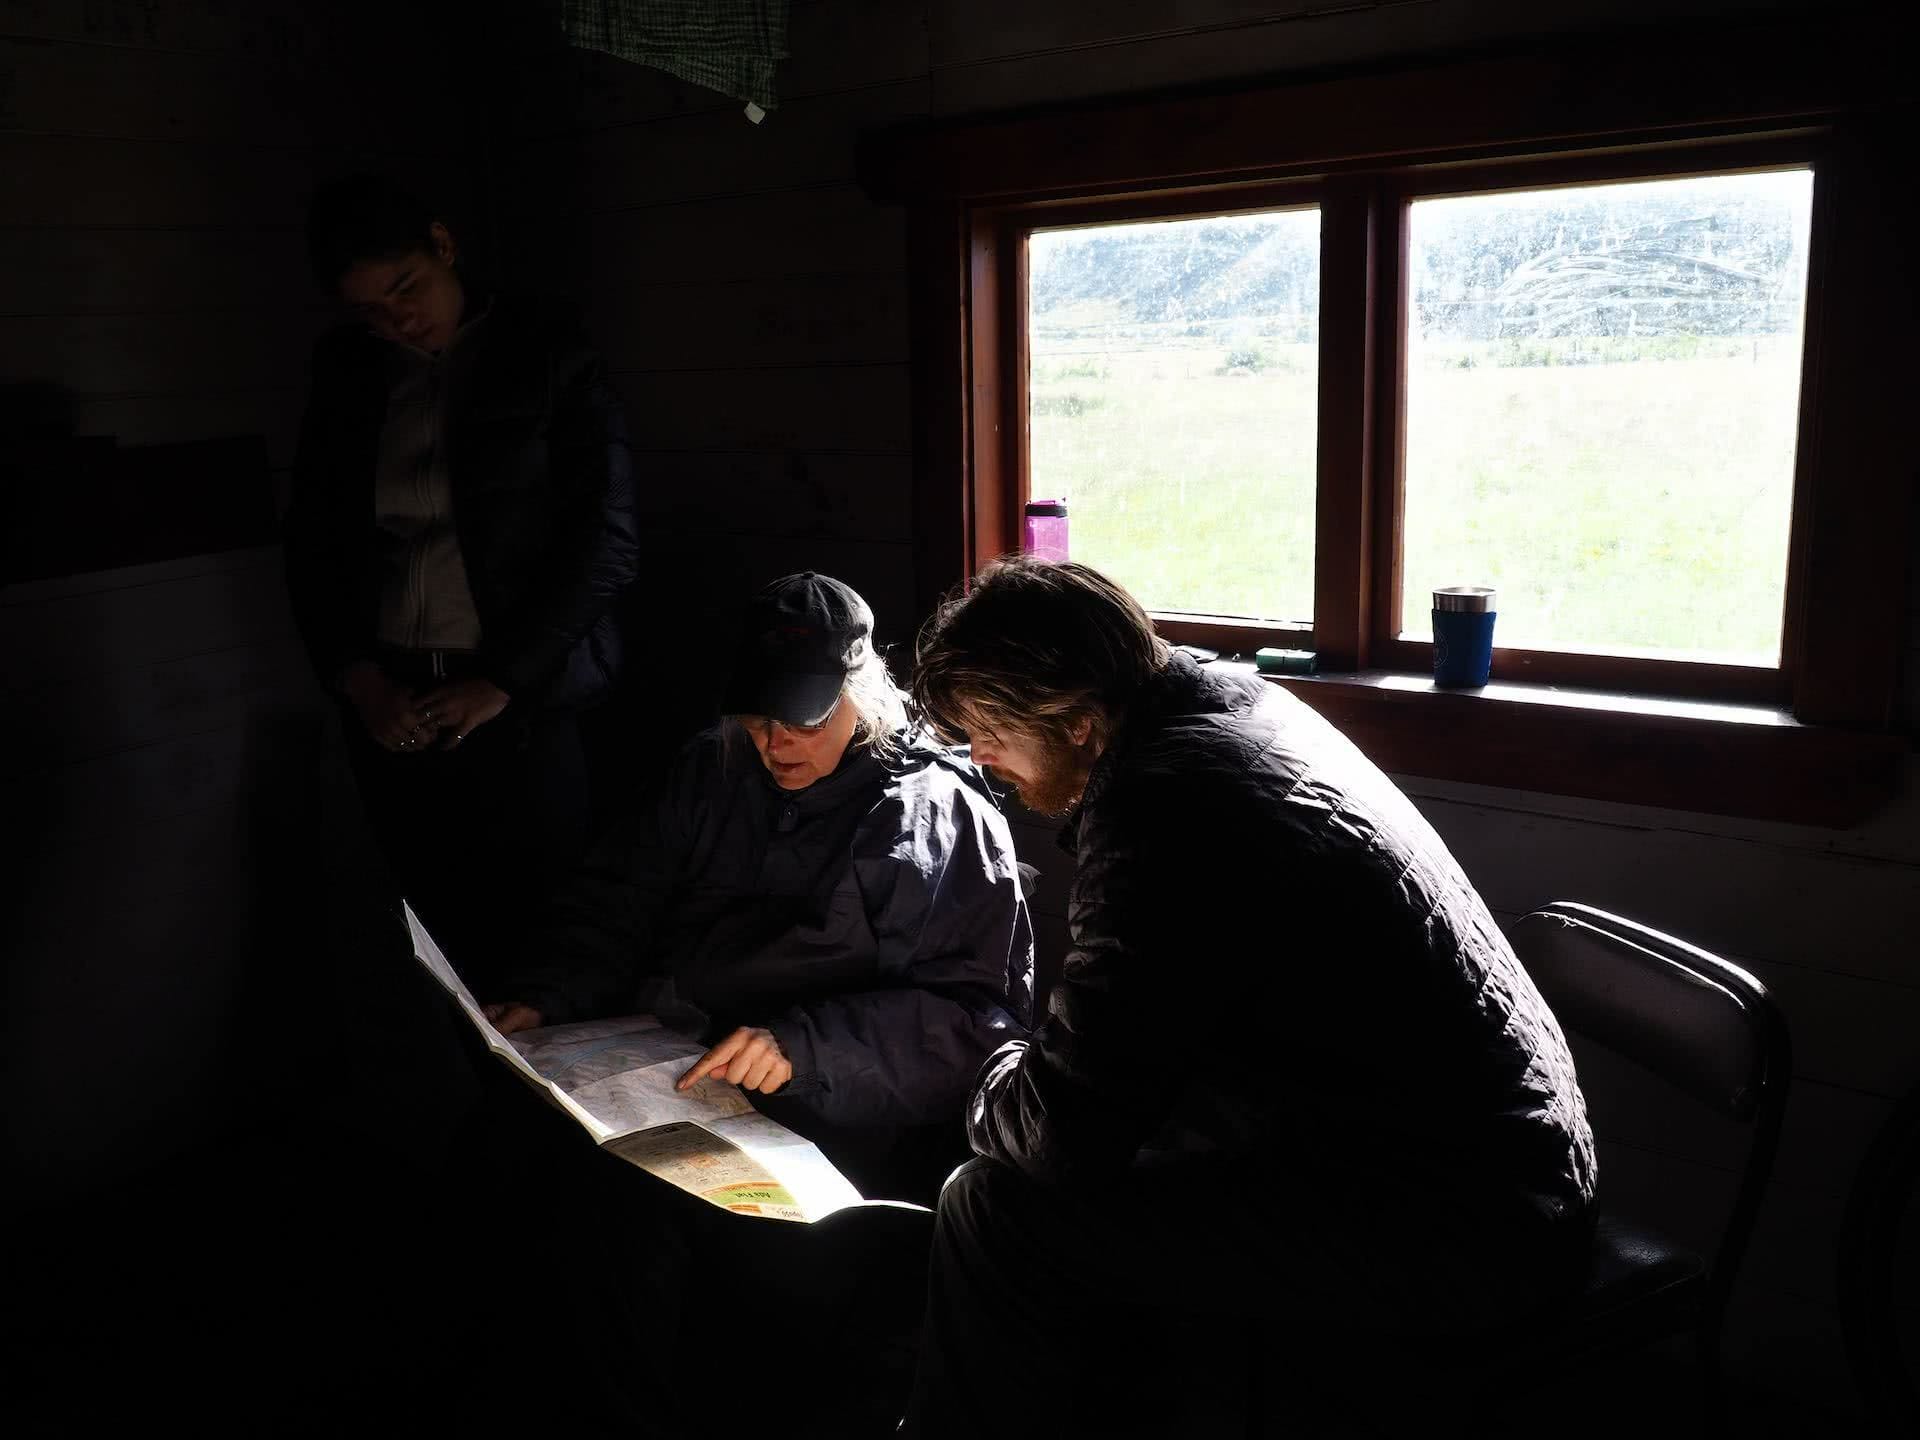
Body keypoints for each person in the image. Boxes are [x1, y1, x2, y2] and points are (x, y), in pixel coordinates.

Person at [901, 557, 1598, 1436]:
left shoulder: (1167, 809)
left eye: (989, 732)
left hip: (1466, 1222)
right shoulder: (1232, 705)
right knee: (1122, 1163)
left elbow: (1064, 1135)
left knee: (996, 1210)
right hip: (1482, 1158)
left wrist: (990, 1073)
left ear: (1077, 721)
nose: (979, 758)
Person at [473, 572, 1033, 1435]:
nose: (777, 743)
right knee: (549, 1188)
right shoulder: (713, 766)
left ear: (862, 689)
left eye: (803, 718)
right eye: (760, 716)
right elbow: (616, 899)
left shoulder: (927, 811)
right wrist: (547, 995)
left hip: (836, 1104)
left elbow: (976, 1024)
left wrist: (806, 1047)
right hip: (681, 1068)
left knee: (661, 1242)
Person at [284, 174, 637, 995]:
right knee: (429, 938)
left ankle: (553, 1119)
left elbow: (607, 541)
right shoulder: (350, 372)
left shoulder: (547, 347)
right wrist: (363, 683)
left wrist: (504, 681)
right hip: (397, 705)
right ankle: (460, 1107)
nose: (398, 317)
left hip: (527, 703)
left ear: (444, 245)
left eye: (406, 287)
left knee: (547, 937)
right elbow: (313, 544)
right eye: (371, 308)